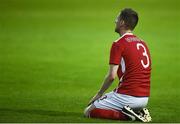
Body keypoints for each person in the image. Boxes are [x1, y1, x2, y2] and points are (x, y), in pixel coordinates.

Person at [84, 8, 152, 122]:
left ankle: (127, 116)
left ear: (122, 22)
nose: (115, 21)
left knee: (88, 111)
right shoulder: (142, 42)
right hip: (144, 98)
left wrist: (99, 94)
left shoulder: (118, 44)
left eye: (117, 18)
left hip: (127, 96)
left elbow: (111, 76)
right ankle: (137, 110)